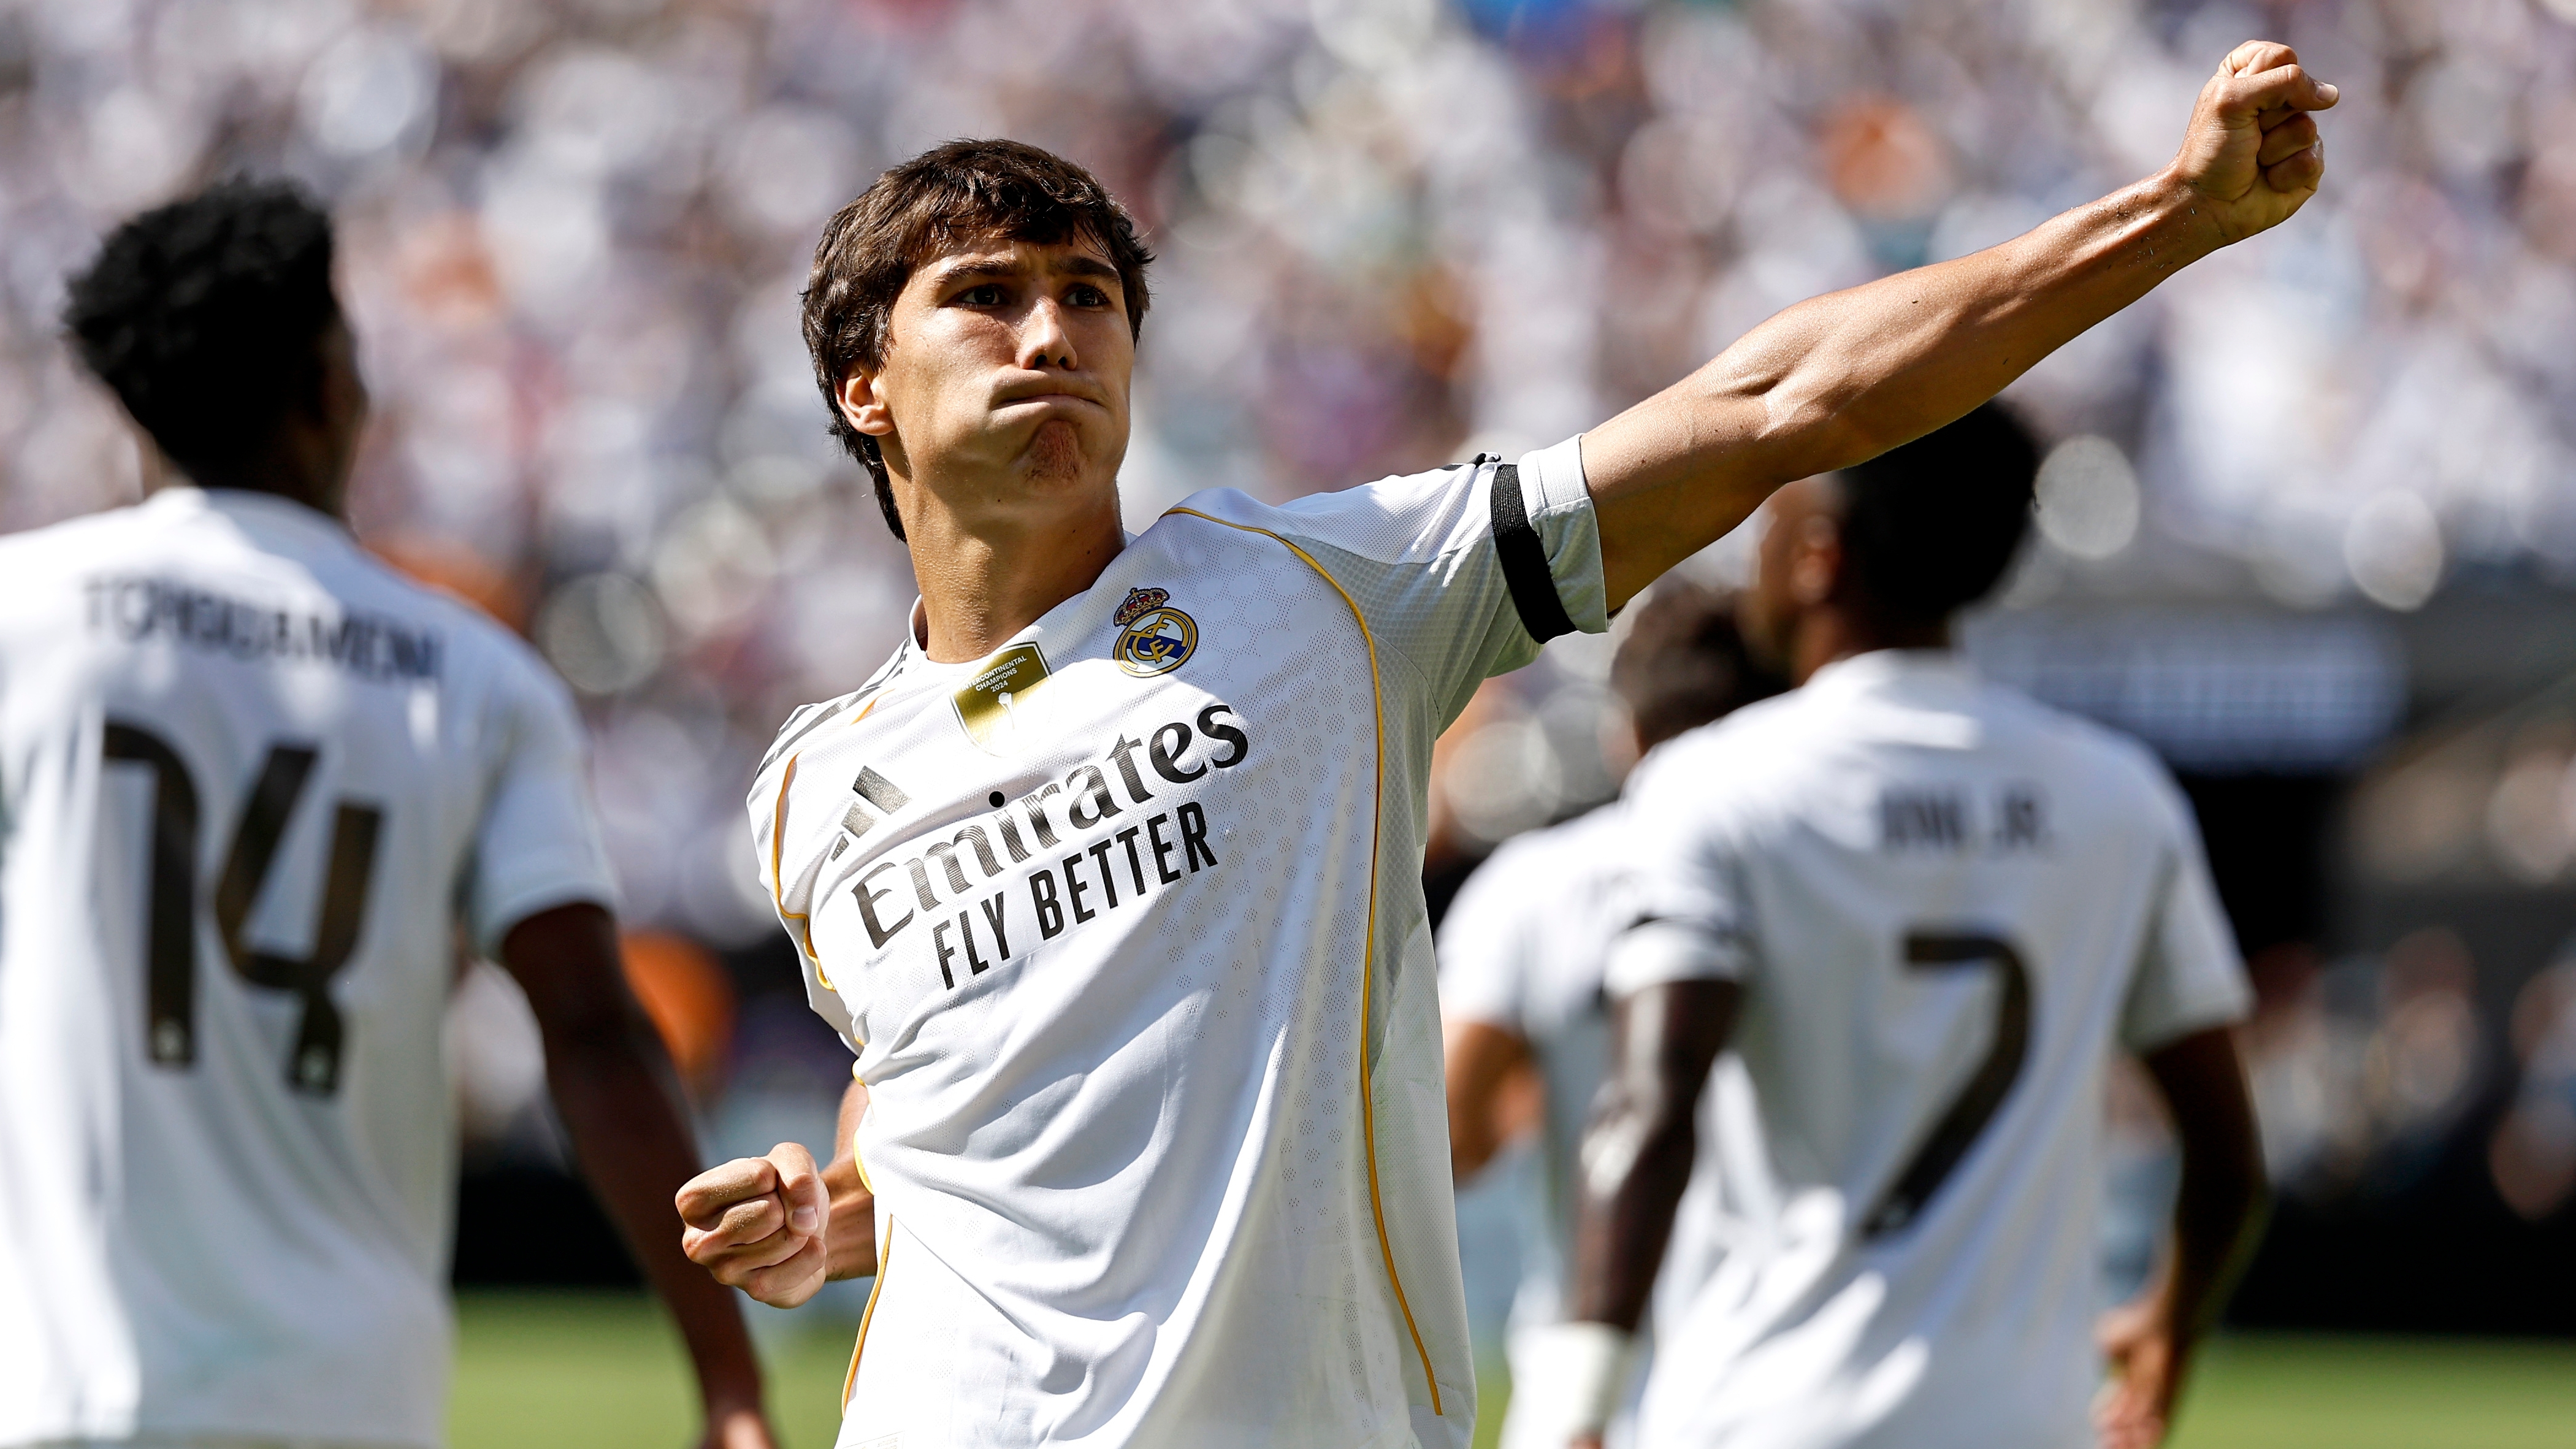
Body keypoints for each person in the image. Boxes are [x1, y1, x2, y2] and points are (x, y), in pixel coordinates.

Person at [675, 40, 2332, 1449]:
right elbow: (938, 1111)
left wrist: (2170, 219)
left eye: (1089, 296)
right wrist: (833, 1214)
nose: (1052, 333)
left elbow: (1777, 408)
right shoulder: (809, 796)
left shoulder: (1327, 590)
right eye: (985, 297)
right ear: (862, 383)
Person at [0, 181, 774, 1449]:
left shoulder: (24, 618)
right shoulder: (472, 677)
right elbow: (592, 1033)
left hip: (60, 1393)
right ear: (327, 387)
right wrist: (729, 1375)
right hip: (350, 1399)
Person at [1550, 406, 2269, 1449]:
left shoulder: (1711, 789)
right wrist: (2172, 1321)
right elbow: (2228, 1158)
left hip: (1762, 1413)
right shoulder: (2119, 797)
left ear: (1815, 556)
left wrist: (1577, 1407)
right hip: (2022, 1424)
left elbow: (1649, 1109)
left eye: (1772, 508)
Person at [1439, 582, 1780, 1449]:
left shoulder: (1536, 884)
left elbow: (1449, 1133)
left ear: (1620, 729)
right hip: (1791, 1371)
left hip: (1585, 1387)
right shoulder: (1820, 870)